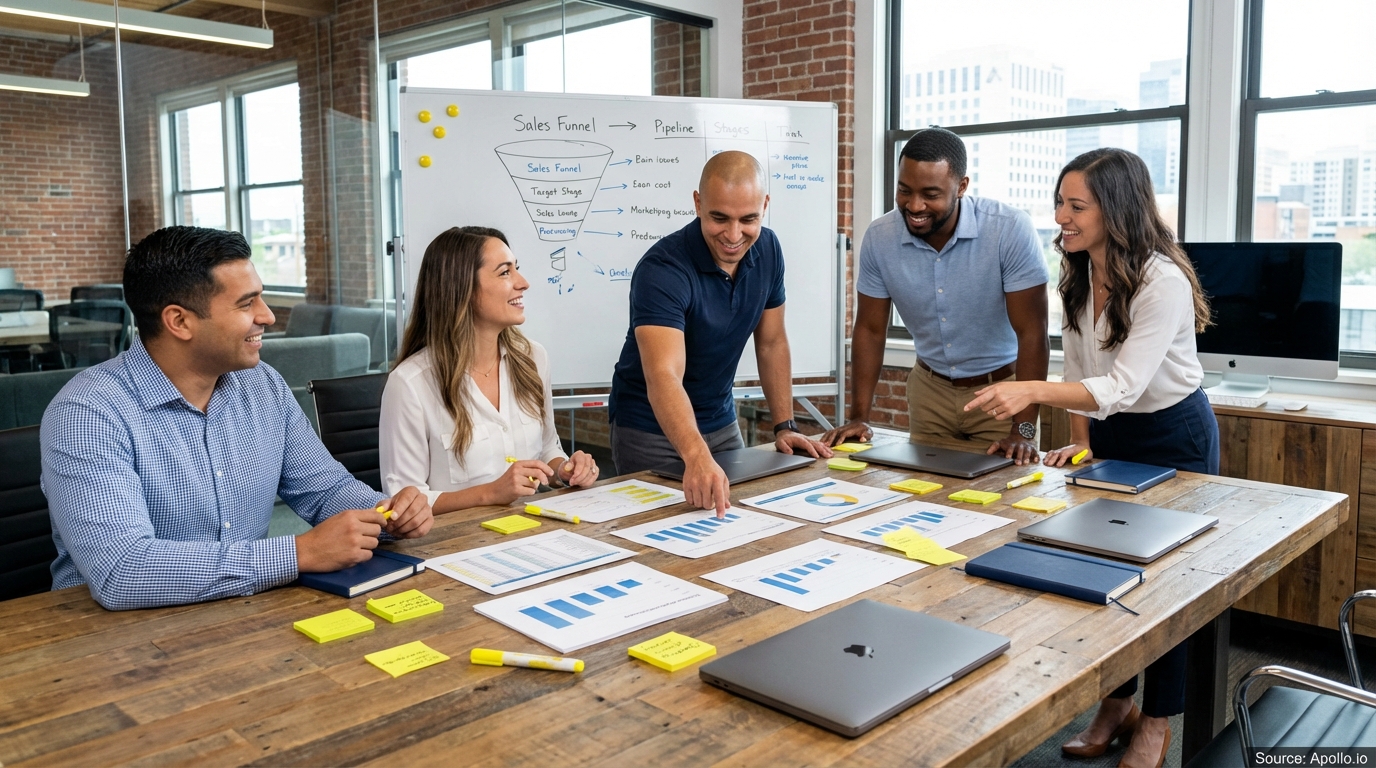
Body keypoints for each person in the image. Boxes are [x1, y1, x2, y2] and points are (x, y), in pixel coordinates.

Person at [964, 147, 1217, 768]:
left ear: (1118, 210)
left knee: (1168, 586)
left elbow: (1124, 385)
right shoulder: (1077, 272)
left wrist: (1030, 392)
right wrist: (1079, 439)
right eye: (1060, 202)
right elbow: (1080, 369)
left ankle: (1156, 722)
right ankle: (1115, 703)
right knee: (1104, 570)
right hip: (1112, 436)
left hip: (1174, 434)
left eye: (1076, 206)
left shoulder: (1163, 280)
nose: (1062, 217)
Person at [41, 226, 433, 611]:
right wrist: (299, 553)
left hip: (245, 613)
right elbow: (122, 571)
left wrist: (387, 514)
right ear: (179, 321)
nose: (267, 317)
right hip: (111, 641)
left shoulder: (262, 385)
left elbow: (325, 490)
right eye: (247, 304)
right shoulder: (88, 414)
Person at [608, 150, 831, 516]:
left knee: (732, 525)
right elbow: (663, 374)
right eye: (719, 218)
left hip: (720, 420)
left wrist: (784, 425)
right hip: (650, 430)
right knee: (659, 541)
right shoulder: (662, 269)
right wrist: (696, 454)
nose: (733, 235)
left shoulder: (769, 249)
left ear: (765, 206)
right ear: (698, 204)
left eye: (748, 219)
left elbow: (772, 342)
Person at [822, 127, 1049, 465]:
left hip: (1002, 393)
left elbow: (1032, 333)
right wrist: (859, 416)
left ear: (961, 186)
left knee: (1001, 499)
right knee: (925, 496)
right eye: (904, 190)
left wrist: (1024, 429)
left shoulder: (1009, 229)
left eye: (930, 193)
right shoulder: (880, 238)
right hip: (929, 392)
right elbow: (870, 330)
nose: (914, 205)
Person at [379, 226, 599, 514]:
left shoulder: (534, 358)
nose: (523, 283)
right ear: (462, 288)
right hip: (458, 546)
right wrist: (491, 493)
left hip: (535, 533)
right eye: (505, 272)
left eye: (516, 269)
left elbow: (547, 449)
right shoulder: (410, 384)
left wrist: (565, 471)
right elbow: (404, 502)